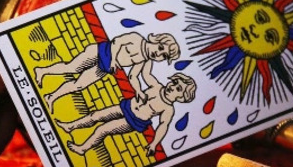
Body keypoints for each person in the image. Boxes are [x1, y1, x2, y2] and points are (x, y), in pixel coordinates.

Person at [56, 65, 196, 156]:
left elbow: (163, 126)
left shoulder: (168, 108)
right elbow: (146, 74)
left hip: (133, 121)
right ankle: (70, 126)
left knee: (103, 129)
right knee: (95, 115)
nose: (173, 87)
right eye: (175, 82)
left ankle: (83, 148)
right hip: (126, 107)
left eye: (178, 89)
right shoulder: (157, 86)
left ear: (181, 98)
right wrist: (146, 58)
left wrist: (154, 144)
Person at [34, 32, 180, 113]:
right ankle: (42, 71)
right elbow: (117, 41)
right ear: (156, 40)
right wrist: (114, 59)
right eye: (160, 48)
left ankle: (51, 97)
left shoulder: (144, 61)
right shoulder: (137, 39)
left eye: (163, 56)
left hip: (105, 69)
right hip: (99, 52)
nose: (158, 53)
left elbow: (133, 76)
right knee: (72, 68)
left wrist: (139, 91)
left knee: (79, 85)